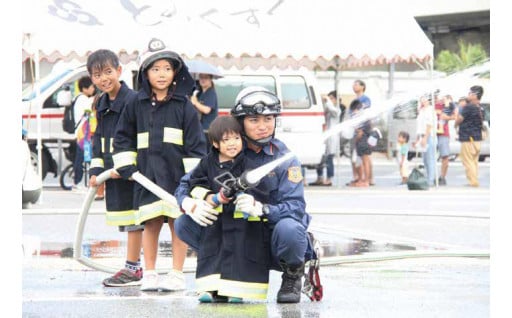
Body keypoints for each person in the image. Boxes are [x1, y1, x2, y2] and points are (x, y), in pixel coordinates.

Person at [174, 86, 318, 304]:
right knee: (184, 223)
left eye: (268, 119)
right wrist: (191, 203)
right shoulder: (225, 151)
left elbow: (296, 208)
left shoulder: (285, 159)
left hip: (270, 236)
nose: (263, 127)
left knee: (290, 229)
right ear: (240, 122)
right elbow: (186, 184)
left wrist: (263, 209)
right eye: (254, 120)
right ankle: (221, 274)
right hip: (236, 234)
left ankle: (292, 274)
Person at [113, 38, 206, 292]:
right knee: (150, 223)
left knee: (179, 224)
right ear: (145, 73)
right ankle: (151, 273)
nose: (161, 74)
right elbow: (122, 136)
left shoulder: (184, 105)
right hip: (147, 176)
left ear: (175, 71)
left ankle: (176, 274)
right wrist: (127, 166)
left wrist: (193, 180)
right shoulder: (135, 103)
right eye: (155, 69)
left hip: (177, 178)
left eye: (166, 68)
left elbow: (196, 144)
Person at [181, 115, 253, 303]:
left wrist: (247, 199)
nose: (232, 144)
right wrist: (209, 197)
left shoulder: (246, 161)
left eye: (236, 138)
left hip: (238, 218)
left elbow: (254, 183)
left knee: (237, 251)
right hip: (214, 217)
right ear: (215, 143)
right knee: (209, 251)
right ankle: (207, 288)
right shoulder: (207, 162)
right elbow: (194, 184)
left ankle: (236, 290)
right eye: (226, 140)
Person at [85, 49, 142, 287]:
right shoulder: (101, 102)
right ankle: (134, 266)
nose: (103, 79)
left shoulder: (134, 100)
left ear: (119, 71)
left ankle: (133, 268)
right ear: (91, 78)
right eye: (97, 75)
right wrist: (96, 171)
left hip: (131, 172)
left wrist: (128, 165)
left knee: (136, 219)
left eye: (108, 72)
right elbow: (98, 138)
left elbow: (139, 136)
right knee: (127, 217)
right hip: (113, 171)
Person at [454, 85, 484, 187]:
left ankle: (473, 182)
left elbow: (459, 119)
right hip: (477, 138)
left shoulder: (469, 107)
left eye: (470, 93)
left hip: (468, 138)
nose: (468, 95)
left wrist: (455, 124)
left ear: (475, 95)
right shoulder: (480, 107)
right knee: (474, 161)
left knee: (467, 160)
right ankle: (474, 180)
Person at [309, 91, 340, 186]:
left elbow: (333, 111)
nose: (329, 101)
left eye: (331, 99)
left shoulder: (337, 110)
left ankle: (329, 179)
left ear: (335, 100)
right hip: (323, 137)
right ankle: (320, 178)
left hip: (331, 138)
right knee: (321, 158)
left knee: (329, 158)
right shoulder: (327, 109)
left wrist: (327, 101)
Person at [71, 76, 95, 191]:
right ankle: (77, 182)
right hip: (83, 133)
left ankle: (79, 181)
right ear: (85, 88)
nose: (93, 89)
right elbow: (91, 112)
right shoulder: (83, 99)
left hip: (81, 132)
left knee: (82, 157)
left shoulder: (78, 98)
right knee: (82, 158)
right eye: (91, 87)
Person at [350, 79, 375, 186]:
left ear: (362, 87)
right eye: (353, 85)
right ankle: (360, 178)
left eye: (356, 84)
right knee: (358, 156)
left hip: (363, 130)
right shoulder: (354, 100)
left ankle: (367, 179)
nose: (354, 86)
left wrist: (361, 129)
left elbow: (364, 115)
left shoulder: (366, 99)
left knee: (365, 156)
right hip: (356, 130)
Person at [190, 73, 218, 152]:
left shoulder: (211, 93)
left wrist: (195, 102)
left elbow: (207, 110)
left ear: (210, 79)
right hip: (200, 129)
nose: (203, 80)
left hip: (207, 130)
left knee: (206, 154)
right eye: (201, 77)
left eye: (206, 78)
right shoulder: (200, 93)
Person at [435, 94, 458, 185]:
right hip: (431, 134)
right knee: (430, 156)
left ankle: (442, 177)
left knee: (445, 156)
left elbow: (456, 115)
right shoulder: (431, 105)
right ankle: (432, 176)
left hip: (443, 133)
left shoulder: (446, 106)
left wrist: (446, 117)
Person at [413, 95, 436, 186]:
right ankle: (427, 178)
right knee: (425, 159)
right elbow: (419, 127)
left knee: (430, 158)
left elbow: (429, 125)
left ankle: (430, 180)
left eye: (424, 100)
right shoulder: (421, 111)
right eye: (421, 100)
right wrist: (418, 139)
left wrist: (425, 138)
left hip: (429, 136)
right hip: (422, 136)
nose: (422, 102)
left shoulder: (430, 110)